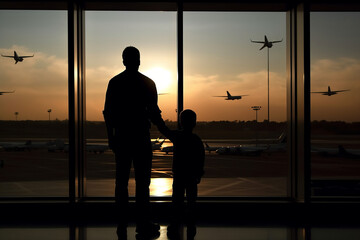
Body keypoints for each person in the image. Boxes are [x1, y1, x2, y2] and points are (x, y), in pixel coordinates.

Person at [103, 46, 164, 237]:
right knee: (143, 183)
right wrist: (169, 133)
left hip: (122, 137)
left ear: (123, 60)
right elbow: (154, 114)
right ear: (139, 60)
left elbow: (108, 114)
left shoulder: (115, 82)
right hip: (140, 137)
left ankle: (121, 223)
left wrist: (111, 137)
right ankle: (142, 223)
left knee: (121, 183)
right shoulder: (148, 83)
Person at [158, 109, 205, 239]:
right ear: (194, 123)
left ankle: (175, 226)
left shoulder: (177, 136)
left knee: (177, 200)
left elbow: (163, 129)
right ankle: (190, 226)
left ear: (181, 122)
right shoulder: (196, 139)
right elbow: (201, 158)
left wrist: (156, 117)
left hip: (179, 174)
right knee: (191, 201)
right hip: (191, 176)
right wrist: (199, 173)